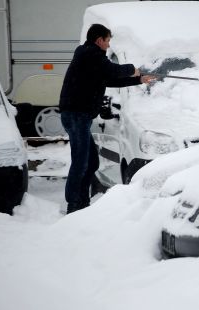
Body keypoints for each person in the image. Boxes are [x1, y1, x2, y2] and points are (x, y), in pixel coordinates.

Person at [59, 23, 155, 214]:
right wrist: (132, 69)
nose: (109, 45)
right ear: (99, 40)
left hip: (80, 116)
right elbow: (114, 70)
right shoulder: (89, 54)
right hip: (76, 115)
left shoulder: (91, 59)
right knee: (80, 161)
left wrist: (138, 79)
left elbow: (109, 79)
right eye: (108, 41)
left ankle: (82, 201)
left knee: (91, 162)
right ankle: (74, 204)